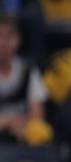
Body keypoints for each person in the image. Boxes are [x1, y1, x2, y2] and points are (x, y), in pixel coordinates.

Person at [0, 14, 51, 145]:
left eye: (8, 37)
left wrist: (22, 124)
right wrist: (8, 123)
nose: (3, 43)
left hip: (21, 131)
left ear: (18, 40)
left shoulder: (28, 70)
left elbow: (38, 112)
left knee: (40, 131)